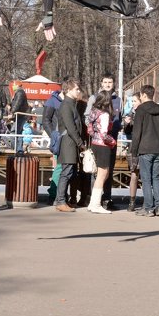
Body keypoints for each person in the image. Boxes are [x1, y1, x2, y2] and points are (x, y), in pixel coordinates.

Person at [85, 73, 122, 210]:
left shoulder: (118, 99)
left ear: (113, 84)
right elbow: (88, 118)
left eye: (110, 82)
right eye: (105, 82)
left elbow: (120, 118)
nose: (107, 84)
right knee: (100, 171)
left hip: (110, 138)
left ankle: (107, 198)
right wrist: (98, 132)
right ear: (101, 83)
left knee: (108, 170)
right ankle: (96, 200)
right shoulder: (95, 99)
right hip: (104, 141)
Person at [130, 85, 159, 217]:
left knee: (146, 179)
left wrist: (134, 151)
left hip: (145, 148)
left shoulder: (140, 110)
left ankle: (149, 208)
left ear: (144, 95)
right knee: (155, 177)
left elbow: (137, 132)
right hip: (157, 148)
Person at [51, 79, 83, 212]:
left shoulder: (71, 104)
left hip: (70, 143)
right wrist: (80, 143)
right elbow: (70, 126)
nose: (79, 91)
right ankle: (60, 201)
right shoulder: (66, 105)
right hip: (68, 144)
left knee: (70, 172)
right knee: (66, 172)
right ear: (69, 90)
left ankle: (62, 200)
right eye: (76, 89)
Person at [43, 87, 64, 203]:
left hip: (67, 138)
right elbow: (46, 120)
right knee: (59, 167)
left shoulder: (71, 100)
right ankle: (53, 193)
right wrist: (54, 136)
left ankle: (59, 194)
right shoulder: (52, 101)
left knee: (63, 168)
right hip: (58, 138)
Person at [122, 92, 141, 211]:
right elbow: (127, 132)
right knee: (134, 173)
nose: (133, 103)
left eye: (135, 101)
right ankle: (132, 201)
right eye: (132, 101)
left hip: (144, 146)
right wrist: (127, 124)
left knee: (147, 175)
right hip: (133, 147)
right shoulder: (130, 113)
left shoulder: (145, 112)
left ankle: (151, 201)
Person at [7, 81, 30, 154]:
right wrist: (10, 104)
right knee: (18, 133)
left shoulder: (20, 93)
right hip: (19, 115)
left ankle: (18, 149)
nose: (13, 86)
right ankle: (19, 149)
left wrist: (12, 112)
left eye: (14, 85)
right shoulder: (19, 92)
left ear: (17, 85)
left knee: (14, 132)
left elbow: (17, 104)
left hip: (20, 116)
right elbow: (16, 103)